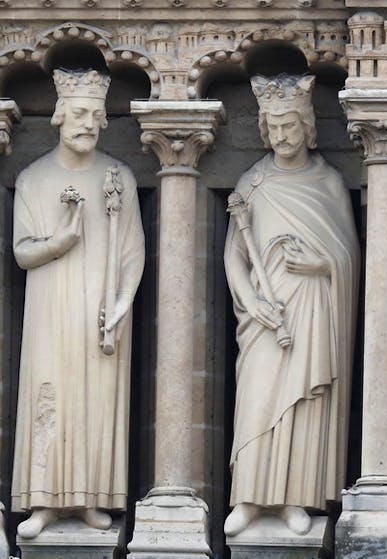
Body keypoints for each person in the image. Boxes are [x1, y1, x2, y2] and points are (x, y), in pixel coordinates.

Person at [222, 74, 359, 536]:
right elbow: (233, 255)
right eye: (273, 127)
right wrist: (249, 300)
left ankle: (293, 499)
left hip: (312, 312)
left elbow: (350, 257)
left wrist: (324, 264)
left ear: (307, 127)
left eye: (290, 126)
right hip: (265, 316)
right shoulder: (253, 182)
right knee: (258, 401)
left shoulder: (329, 182)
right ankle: (249, 497)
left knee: (303, 404)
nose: (281, 136)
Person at [12, 69, 145, 538]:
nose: (89, 123)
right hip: (50, 310)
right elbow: (22, 251)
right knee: (49, 396)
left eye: (97, 115)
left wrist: (123, 303)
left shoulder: (118, 177)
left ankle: (89, 498)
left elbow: (132, 252)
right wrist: (61, 241)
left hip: (100, 313)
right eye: (80, 113)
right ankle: (44, 503)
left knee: (95, 399)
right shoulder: (33, 178)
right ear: (59, 116)